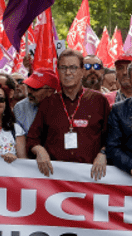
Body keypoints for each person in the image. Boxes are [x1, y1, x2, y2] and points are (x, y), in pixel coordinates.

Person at [27, 50, 109, 178]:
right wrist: (39, 150)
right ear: (58, 71)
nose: (68, 72)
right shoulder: (48, 103)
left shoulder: (99, 101)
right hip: (56, 178)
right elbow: (32, 138)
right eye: (63, 68)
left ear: (82, 71)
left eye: (73, 68)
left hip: (90, 177)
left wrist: (103, 153)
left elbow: (112, 137)